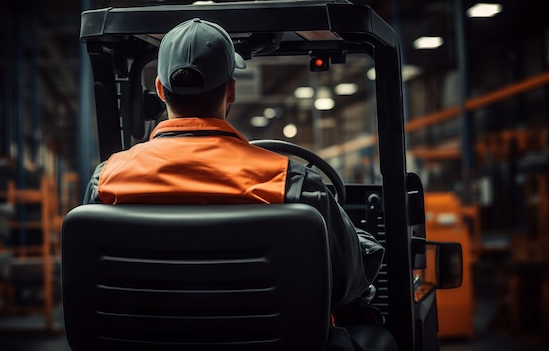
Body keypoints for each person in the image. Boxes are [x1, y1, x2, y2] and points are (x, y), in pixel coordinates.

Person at [83, 17, 384, 321]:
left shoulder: (106, 180)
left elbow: (91, 281)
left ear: (160, 89)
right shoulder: (292, 184)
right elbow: (347, 285)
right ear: (231, 91)